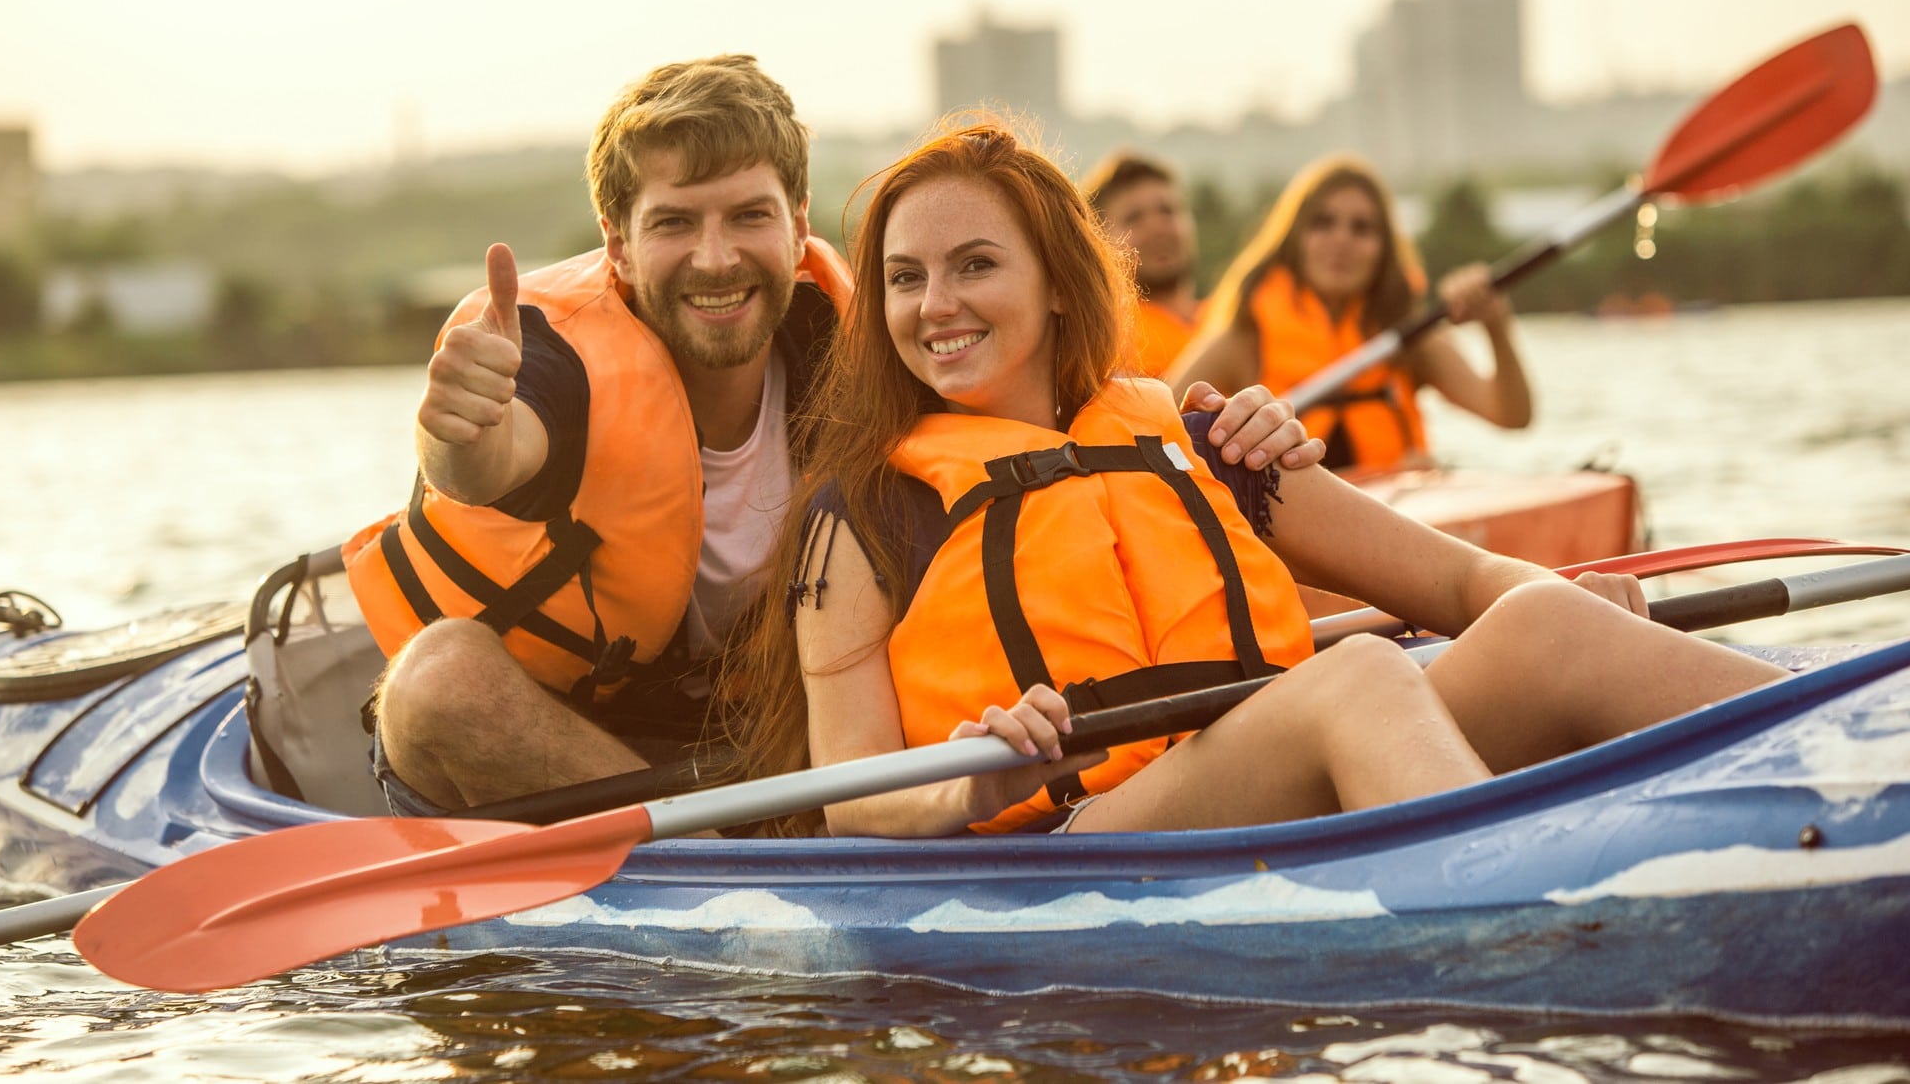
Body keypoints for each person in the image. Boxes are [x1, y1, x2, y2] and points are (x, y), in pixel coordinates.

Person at [727, 119, 1783, 840]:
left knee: (1542, 620)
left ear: (1055, 283)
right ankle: (1532, 913)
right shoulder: (858, 515)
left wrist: (1567, 604)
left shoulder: (1201, 440)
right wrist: (967, 782)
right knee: (1363, 675)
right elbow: (848, 796)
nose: (933, 305)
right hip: (1078, 837)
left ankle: (1850, 752)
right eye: (904, 278)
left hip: (1281, 766)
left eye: (973, 264)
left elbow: (1463, 587)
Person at [342, 58, 1324, 816]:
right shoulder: (554, 368)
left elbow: (1053, 416)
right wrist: (458, 432)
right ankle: (731, 874)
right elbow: (487, 461)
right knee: (432, 682)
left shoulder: (868, 343)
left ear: (798, 221)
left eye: (748, 216)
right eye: (675, 222)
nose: (716, 256)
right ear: (617, 244)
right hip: (597, 739)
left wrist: (1217, 435)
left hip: (806, 732)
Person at [1167, 154, 1532, 472]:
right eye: (1323, 223)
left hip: (1399, 514)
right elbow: (1157, 424)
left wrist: (1496, 328)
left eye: (1362, 228)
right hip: (1286, 533)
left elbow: (1511, 415)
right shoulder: (1245, 336)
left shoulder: (1409, 335)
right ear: (1295, 239)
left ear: (1383, 248)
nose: (1341, 240)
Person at [1081, 150, 1201, 377]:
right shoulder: (1107, 347)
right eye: (1134, 218)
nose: (1158, 228)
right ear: (1098, 242)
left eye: (1168, 210)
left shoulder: (1233, 316)